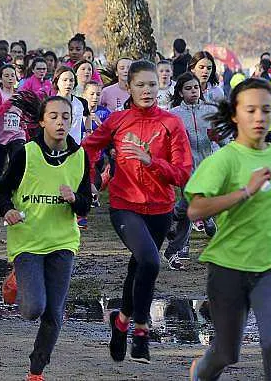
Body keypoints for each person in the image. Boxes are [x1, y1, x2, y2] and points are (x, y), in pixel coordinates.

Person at [82, 60, 192, 364]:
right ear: (128, 87)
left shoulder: (171, 123)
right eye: (140, 85)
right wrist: (89, 180)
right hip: (124, 205)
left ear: (160, 87)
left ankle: (121, 323)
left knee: (139, 268)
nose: (147, 90)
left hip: (160, 209)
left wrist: (150, 161)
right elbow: (88, 148)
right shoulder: (118, 121)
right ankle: (141, 330)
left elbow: (183, 173)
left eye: (152, 84)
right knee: (150, 261)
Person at [186, 78, 271, 381]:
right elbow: (196, 209)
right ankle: (200, 373)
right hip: (229, 266)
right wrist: (245, 191)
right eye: (251, 110)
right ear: (235, 115)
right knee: (226, 352)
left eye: (266, 110)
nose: (259, 117)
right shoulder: (223, 160)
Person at [0, 94, 92, 381]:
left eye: (65, 117)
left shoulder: (80, 156)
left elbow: (86, 205)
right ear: (42, 122)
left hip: (63, 242)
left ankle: (36, 371)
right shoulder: (26, 154)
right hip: (28, 241)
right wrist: (8, 210)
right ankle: (17, 280)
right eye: (54, 116)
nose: (60, 122)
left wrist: (75, 199)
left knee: (54, 312)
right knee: (33, 309)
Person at [163, 72, 220, 270]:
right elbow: (167, 141)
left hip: (208, 165)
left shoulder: (210, 110)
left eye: (196, 87)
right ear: (180, 92)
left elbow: (222, 136)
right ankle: (204, 220)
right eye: (188, 88)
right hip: (185, 168)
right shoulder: (174, 114)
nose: (193, 91)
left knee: (189, 210)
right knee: (192, 203)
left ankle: (171, 227)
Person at [0, 64, 26, 185]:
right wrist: (8, 103)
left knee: (17, 162)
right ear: (0, 79)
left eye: (12, 75)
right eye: (6, 75)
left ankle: (13, 190)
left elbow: (23, 114)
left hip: (17, 135)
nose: (10, 78)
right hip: (0, 137)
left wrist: (23, 122)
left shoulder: (20, 95)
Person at [51, 67, 88, 145]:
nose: (68, 83)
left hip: (76, 146)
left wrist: (88, 131)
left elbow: (87, 115)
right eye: (64, 80)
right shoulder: (50, 104)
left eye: (71, 80)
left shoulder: (81, 102)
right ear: (57, 82)